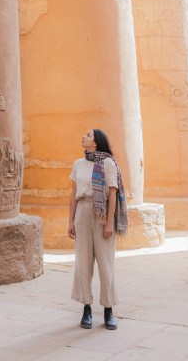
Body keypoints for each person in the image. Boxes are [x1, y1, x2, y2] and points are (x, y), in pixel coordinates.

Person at [68, 128, 127, 330]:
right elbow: (74, 194)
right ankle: (86, 308)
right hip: (83, 212)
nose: (83, 136)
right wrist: (70, 221)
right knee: (83, 263)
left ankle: (108, 309)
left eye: (88, 135)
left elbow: (112, 194)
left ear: (96, 142)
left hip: (102, 216)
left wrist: (110, 222)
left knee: (105, 264)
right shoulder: (78, 164)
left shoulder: (108, 163)